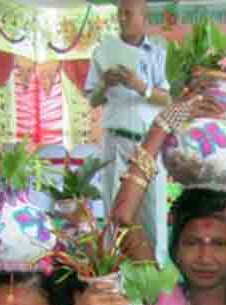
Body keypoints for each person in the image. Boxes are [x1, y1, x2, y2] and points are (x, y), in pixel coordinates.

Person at [86, 0, 172, 264]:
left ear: (143, 17)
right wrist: (104, 84)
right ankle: (115, 271)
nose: (122, 18)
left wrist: (140, 86)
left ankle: (157, 273)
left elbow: (168, 99)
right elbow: (92, 100)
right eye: (119, 13)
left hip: (149, 144)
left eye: (128, 13)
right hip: (115, 142)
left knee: (153, 211)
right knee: (115, 209)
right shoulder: (103, 52)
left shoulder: (158, 53)